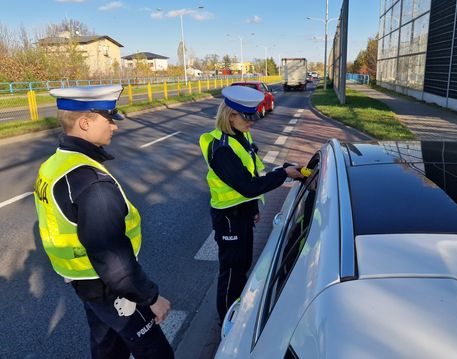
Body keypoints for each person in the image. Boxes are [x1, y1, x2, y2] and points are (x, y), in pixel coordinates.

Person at [34, 85, 174, 359]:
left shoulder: (56, 162)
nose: (115, 126)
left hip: (85, 281)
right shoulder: (91, 181)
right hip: (110, 287)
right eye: (109, 119)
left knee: (107, 348)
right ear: (85, 123)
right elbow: (112, 257)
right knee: (156, 352)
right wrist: (152, 298)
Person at [199, 85, 304, 322]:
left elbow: (252, 173)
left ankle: (237, 307)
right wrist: (284, 173)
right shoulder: (222, 149)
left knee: (243, 262)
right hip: (228, 217)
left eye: (253, 115)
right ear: (230, 116)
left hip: (242, 211)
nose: (252, 122)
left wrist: (253, 207)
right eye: (247, 117)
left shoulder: (240, 135)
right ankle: (226, 320)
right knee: (232, 269)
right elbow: (247, 186)